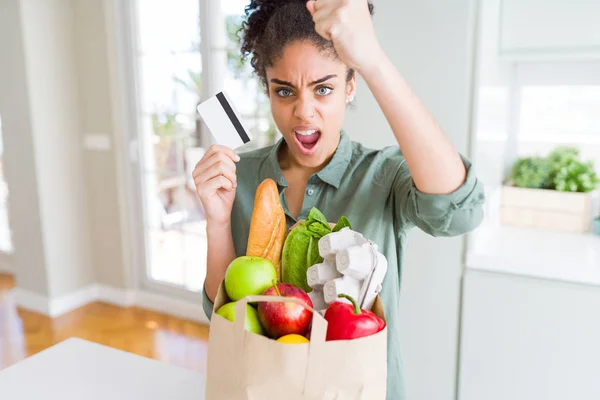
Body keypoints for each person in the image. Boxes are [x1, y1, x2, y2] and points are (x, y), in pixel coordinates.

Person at [193, 0, 485, 398]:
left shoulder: (384, 175)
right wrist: (217, 222)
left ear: (351, 86)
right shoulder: (238, 174)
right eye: (284, 91)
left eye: (324, 89)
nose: (304, 112)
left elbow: (461, 212)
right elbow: (223, 311)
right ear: (268, 89)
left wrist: (373, 60)